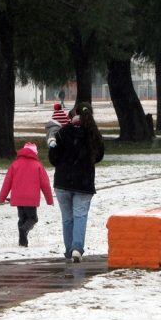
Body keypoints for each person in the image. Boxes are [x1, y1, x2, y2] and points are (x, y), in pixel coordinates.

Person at [48, 102, 104, 262]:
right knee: (80, 216)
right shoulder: (93, 134)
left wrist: (53, 147)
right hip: (84, 183)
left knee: (67, 218)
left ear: (72, 115)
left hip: (63, 182)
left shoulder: (62, 133)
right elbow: (99, 156)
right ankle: (77, 249)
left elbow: (54, 159)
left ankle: (68, 249)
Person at [0, 142, 54, 247]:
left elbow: (7, 182)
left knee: (22, 219)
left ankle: (22, 242)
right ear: (35, 153)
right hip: (31, 199)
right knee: (32, 219)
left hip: (18, 198)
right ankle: (24, 231)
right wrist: (49, 200)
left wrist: (2, 198)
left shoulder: (15, 164)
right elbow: (45, 184)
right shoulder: (38, 165)